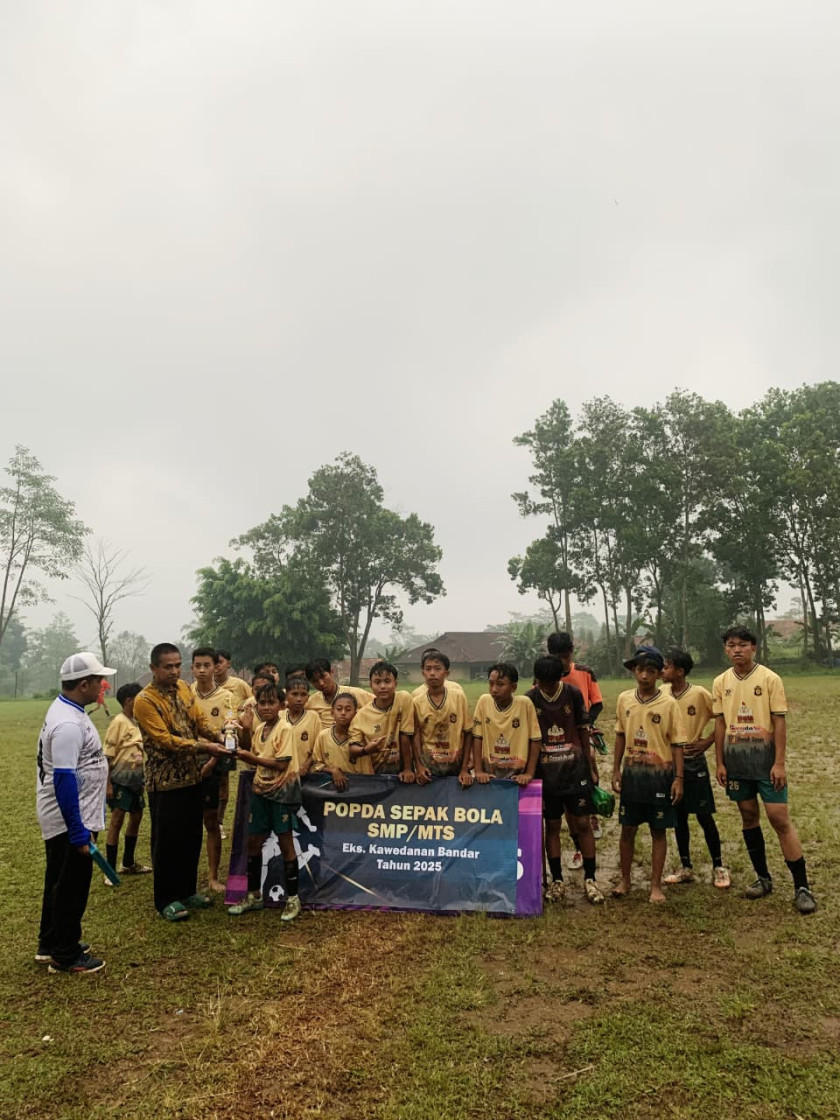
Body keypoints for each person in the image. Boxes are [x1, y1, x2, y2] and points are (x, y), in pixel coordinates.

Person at [713, 626, 817, 914]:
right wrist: (720, 762)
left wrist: (779, 763)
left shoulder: (770, 679)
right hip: (736, 763)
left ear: (754, 648)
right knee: (748, 815)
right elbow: (720, 723)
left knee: (779, 818)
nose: (737, 649)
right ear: (726, 649)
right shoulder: (721, 682)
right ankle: (763, 878)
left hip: (766, 764)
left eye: (743, 644)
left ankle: (802, 887)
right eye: (731, 645)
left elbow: (779, 721)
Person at [133, 643, 229, 922]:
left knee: (191, 836)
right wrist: (205, 747)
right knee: (167, 841)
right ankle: (165, 899)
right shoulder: (145, 700)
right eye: (168, 667)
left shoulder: (185, 689)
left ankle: (187, 891)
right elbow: (165, 740)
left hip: (192, 776)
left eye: (177, 665)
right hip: (164, 782)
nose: (174, 671)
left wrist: (220, 737)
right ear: (153, 668)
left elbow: (199, 721)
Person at [36, 652, 115, 974]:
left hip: (74, 814)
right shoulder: (68, 724)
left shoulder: (70, 710)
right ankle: (65, 955)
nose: (103, 685)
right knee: (71, 885)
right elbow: (64, 779)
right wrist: (78, 830)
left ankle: (50, 942)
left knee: (58, 879)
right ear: (84, 684)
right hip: (70, 817)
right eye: (98, 680)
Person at [612, 645, 686, 903]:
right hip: (632, 776)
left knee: (658, 830)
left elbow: (677, 744)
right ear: (634, 671)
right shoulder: (624, 699)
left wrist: (678, 779)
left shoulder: (669, 704)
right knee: (627, 829)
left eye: (651, 671)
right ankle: (625, 880)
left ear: (658, 674)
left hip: (660, 777)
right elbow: (620, 735)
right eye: (640, 670)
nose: (644, 676)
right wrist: (616, 770)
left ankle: (655, 885)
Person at [526, 657, 603, 904]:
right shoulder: (529, 699)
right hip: (546, 774)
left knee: (582, 822)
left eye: (552, 683)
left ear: (560, 678)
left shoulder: (573, 694)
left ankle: (590, 879)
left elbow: (583, 730)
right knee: (552, 825)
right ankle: (557, 880)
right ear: (537, 681)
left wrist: (590, 766)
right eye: (543, 683)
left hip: (575, 770)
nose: (547, 688)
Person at [228, 683, 301, 921]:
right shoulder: (260, 729)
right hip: (260, 791)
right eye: (262, 703)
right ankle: (254, 895)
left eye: (272, 702)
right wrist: (245, 730)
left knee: (285, 841)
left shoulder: (285, 729)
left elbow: (281, 764)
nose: (267, 707)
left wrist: (252, 759)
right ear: (257, 705)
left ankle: (293, 899)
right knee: (253, 842)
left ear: (281, 705)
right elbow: (249, 750)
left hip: (281, 793)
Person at [661, 649, 730, 889]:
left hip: (693, 762)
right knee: (678, 816)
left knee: (704, 815)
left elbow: (722, 718)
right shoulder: (662, 693)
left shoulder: (699, 694)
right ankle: (686, 867)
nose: (662, 671)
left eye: (666, 667)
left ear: (680, 671)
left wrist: (707, 741)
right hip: (670, 763)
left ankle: (719, 866)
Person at [547, 631, 604, 852]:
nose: (562, 662)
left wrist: (588, 724)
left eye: (565, 656)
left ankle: (593, 809)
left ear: (571, 652)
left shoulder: (584, 672)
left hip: (581, 730)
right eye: (557, 657)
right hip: (556, 736)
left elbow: (597, 703)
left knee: (590, 759)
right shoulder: (546, 674)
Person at [190, 647, 236, 892]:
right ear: (192, 668)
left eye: (206, 665)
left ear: (215, 667)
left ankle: (213, 876)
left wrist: (212, 763)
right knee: (187, 822)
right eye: (197, 666)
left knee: (210, 821)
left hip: (214, 761)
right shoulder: (185, 694)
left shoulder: (226, 697)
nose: (202, 670)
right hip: (187, 761)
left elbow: (229, 734)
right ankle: (186, 877)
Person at [103, 682, 151, 882]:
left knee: (136, 816)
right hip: (120, 780)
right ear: (130, 701)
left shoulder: (137, 722)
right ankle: (109, 870)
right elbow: (106, 756)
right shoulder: (118, 722)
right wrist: (108, 784)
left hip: (136, 781)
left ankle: (128, 863)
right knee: (117, 820)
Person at [411, 650, 473, 787]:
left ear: (446, 673)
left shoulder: (458, 697)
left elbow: (468, 732)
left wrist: (464, 769)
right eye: (428, 669)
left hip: (455, 765)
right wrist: (419, 766)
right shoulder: (416, 702)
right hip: (429, 767)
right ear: (423, 672)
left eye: (437, 669)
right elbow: (415, 735)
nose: (432, 673)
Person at [472, 663, 541, 785]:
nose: (494, 689)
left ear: (513, 687)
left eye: (500, 684)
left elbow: (535, 739)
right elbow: (477, 737)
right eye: (491, 684)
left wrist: (529, 773)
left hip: (518, 776)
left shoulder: (525, 704)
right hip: (490, 774)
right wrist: (478, 771)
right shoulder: (484, 701)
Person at [348, 660, 415, 779]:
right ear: (371, 685)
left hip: (401, 769)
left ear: (396, 684)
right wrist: (366, 749)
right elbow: (352, 749)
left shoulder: (403, 699)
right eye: (377, 682)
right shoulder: (362, 715)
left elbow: (405, 734)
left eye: (387, 681)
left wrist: (407, 769)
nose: (383, 686)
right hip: (375, 772)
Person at [311, 693, 362, 790]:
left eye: (348, 710)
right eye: (339, 709)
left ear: (355, 714)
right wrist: (333, 770)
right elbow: (316, 765)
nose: (343, 713)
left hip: (355, 788)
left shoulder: (359, 738)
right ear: (332, 712)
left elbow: (366, 772)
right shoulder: (323, 736)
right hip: (329, 789)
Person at [305, 659, 373, 728]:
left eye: (323, 676)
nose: (321, 683)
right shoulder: (310, 703)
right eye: (315, 681)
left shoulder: (356, 694)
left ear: (331, 672)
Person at [282, 676, 322, 779]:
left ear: (308, 697)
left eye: (303, 695)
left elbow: (318, 747)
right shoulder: (279, 716)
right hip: (282, 772)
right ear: (286, 696)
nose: (299, 699)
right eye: (294, 694)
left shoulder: (313, 717)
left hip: (305, 773)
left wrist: (307, 764)